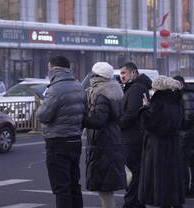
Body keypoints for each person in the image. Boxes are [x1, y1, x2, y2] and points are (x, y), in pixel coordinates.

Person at [37, 55, 86, 208]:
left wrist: (42, 104)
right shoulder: (78, 86)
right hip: (75, 139)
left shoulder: (55, 89)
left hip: (57, 141)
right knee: (73, 184)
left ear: (53, 68)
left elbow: (44, 116)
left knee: (61, 187)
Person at [83, 62, 127, 208]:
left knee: (104, 187)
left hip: (103, 141)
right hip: (112, 137)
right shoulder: (115, 89)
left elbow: (99, 120)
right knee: (107, 184)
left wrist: (83, 119)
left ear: (97, 77)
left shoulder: (101, 94)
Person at [139, 76, 185, 208]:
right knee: (171, 177)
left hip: (157, 145)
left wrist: (144, 107)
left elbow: (148, 123)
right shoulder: (177, 100)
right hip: (172, 143)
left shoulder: (159, 102)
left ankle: (161, 200)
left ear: (158, 88)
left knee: (157, 178)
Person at [119, 62, 152, 208]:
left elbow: (132, 112)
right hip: (132, 137)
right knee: (134, 172)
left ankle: (131, 202)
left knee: (133, 172)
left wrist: (119, 124)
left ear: (134, 73)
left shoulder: (137, 88)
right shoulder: (133, 88)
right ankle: (136, 201)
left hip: (133, 138)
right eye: (121, 74)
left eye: (124, 73)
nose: (122, 76)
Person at [173, 75, 194, 198]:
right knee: (192, 162)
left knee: (184, 162)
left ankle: (186, 189)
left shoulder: (186, 95)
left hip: (188, 134)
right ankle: (193, 189)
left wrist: (179, 127)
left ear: (180, 84)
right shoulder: (190, 94)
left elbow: (190, 116)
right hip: (193, 133)